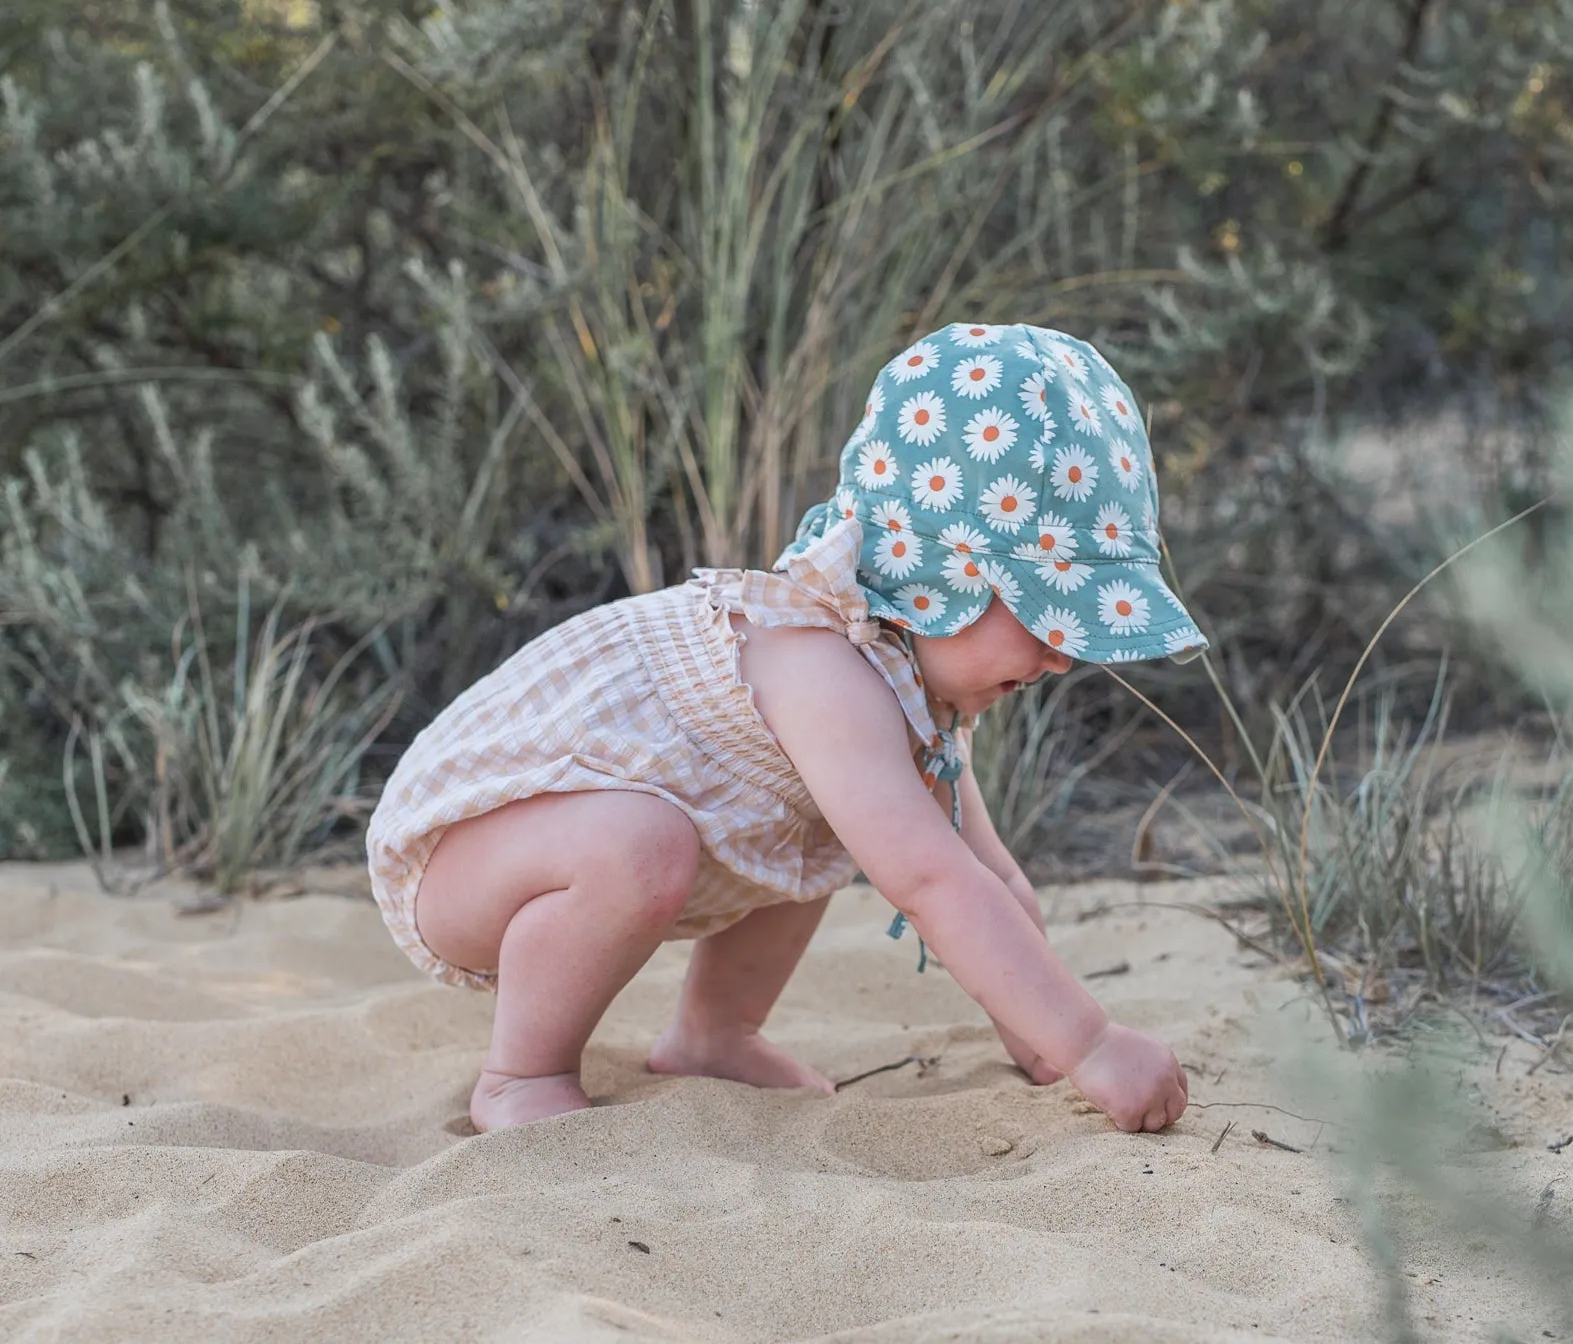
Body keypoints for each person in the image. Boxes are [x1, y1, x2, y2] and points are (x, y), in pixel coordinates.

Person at [365, 322, 1209, 1134]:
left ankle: (713, 1035)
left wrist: (1043, 1044)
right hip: (464, 851)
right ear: (942, 574)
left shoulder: (911, 692)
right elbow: (932, 886)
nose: (1064, 659)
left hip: (563, 848)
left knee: (812, 825)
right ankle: (524, 1072)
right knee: (644, 837)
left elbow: (985, 873)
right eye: (1048, 614)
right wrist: (1091, 1042)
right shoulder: (818, 661)